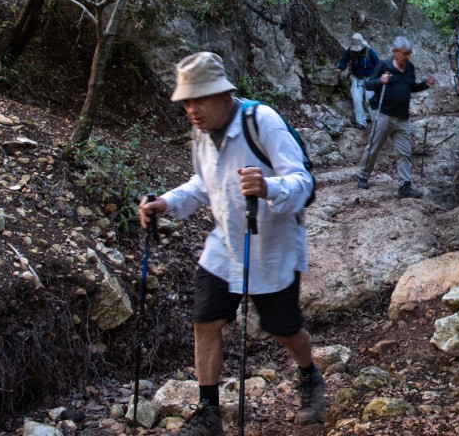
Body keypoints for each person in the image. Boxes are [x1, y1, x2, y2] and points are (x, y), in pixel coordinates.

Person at [138, 52, 324, 435]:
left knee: (284, 329)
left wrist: (268, 186)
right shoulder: (202, 132)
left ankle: (309, 375)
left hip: (271, 246)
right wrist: (166, 202)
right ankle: (208, 413)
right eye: (186, 101)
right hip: (224, 244)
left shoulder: (262, 121)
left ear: (225, 96)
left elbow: (303, 182)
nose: (191, 109)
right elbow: (203, 185)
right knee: (205, 321)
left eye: (199, 99)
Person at [357, 36, 436, 198]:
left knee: (405, 152)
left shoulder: (410, 68)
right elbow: (368, 83)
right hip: (384, 115)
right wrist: (380, 80)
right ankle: (363, 176)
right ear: (394, 52)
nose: (407, 57)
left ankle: (405, 186)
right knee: (373, 147)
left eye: (409, 54)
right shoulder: (384, 66)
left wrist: (425, 85)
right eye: (404, 53)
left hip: (402, 118)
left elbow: (411, 87)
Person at [335, 32, 381, 130]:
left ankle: (376, 124)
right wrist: (340, 68)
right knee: (356, 99)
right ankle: (361, 122)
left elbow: (378, 65)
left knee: (370, 101)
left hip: (370, 80)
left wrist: (378, 80)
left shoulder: (370, 51)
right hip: (357, 79)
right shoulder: (351, 51)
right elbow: (343, 60)